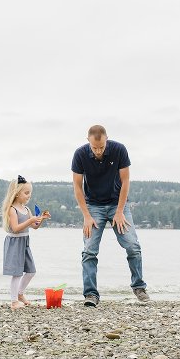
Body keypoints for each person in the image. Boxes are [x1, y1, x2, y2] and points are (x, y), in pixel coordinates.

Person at [71, 125, 149, 307]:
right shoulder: (80, 154)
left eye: (101, 147)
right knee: (89, 250)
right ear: (88, 141)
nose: (98, 151)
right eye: (94, 148)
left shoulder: (119, 150)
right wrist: (86, 215)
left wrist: (120, 211)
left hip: (117, 204)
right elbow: (77, 186)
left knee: (133, 246)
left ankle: (139, 287)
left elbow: (125, 181)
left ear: (107, 140)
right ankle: (91, 294)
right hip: (93, 206)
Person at [1, 175, 50, 309]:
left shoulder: (27, 209)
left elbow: (34, 227)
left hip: (25, 243)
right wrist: (30, 221)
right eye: (26, 193)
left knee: (31, 271)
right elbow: (16, 229)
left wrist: (41, 219)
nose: (29, 196)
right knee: (16, 273)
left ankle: (20, 293)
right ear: (17, 194)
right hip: (14, 243)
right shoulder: (12, 209)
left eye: (30, 193)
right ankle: (14, 301)